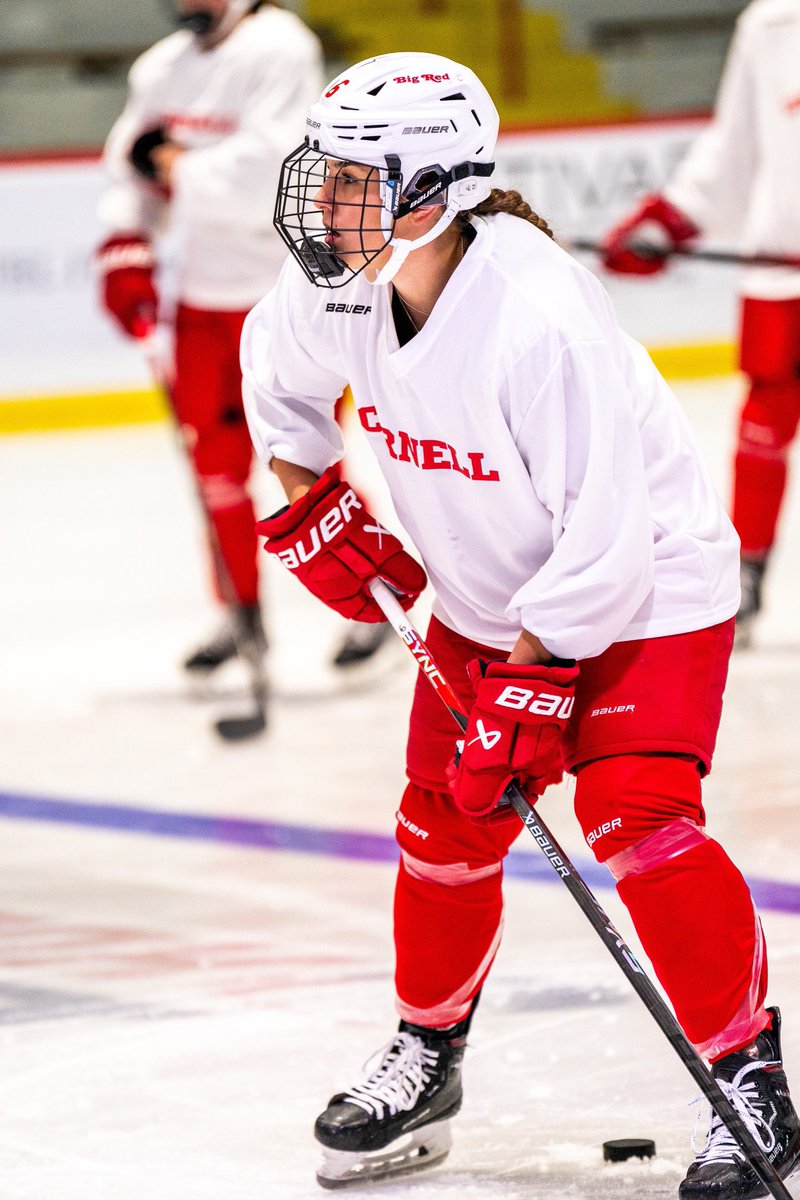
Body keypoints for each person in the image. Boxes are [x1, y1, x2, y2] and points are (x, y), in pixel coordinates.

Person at [240, 52, 800, 1198]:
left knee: (637, 820)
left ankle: (747, 1073)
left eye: (357, 178)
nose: (326, 200)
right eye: (328, 172)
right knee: (440, 827)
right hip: (489, 593)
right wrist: (311, 501)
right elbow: (276, 393)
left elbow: (601, 537)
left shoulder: (538, 319)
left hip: (643, 592)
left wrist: (531, 688)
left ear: (432, 191)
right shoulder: (336, 287)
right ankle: (427, 1051)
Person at [95, 0, 386, 679]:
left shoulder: (280, 48)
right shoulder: (161, 68)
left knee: (305, 464)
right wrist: (124, 239)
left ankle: (370, 598)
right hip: (199, 299)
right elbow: (126, 169)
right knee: (214, 471)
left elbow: (266, 182)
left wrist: (168, 162)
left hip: (285, 293)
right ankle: (239, 612)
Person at [601, 0, 800, 648]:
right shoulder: (772, 25)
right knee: (766, 416)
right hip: (784, 266)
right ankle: (747, 572)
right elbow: (733, 150)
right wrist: (671, 221)